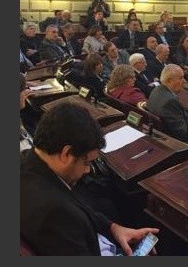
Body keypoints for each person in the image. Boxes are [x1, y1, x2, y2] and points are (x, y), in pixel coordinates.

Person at [21, 101, 160, 255]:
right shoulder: (55, 212)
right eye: (86, 163)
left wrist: (113, 228)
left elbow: (78, 206)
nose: (87, 170)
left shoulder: (27, 161)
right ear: (67, 153)